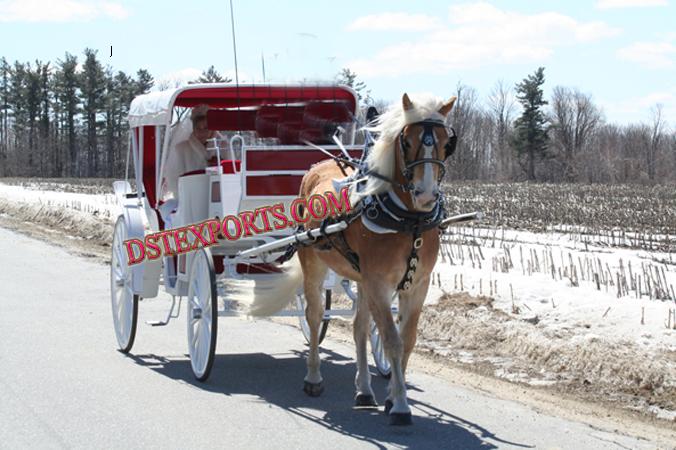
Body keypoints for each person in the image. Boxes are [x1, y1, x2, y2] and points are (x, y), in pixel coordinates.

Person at [158, 104, 215, 224]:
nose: (203, 133)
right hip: (189, 200)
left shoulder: (223, 145)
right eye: (199, 129)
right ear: (193, 128)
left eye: (206, 128)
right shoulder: (181, 149)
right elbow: (174, 179)